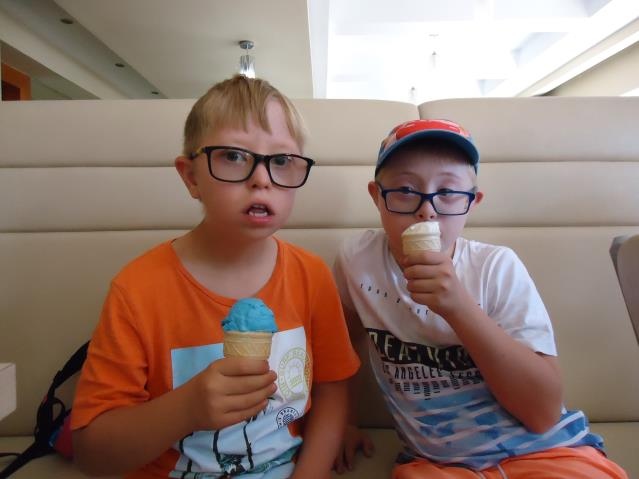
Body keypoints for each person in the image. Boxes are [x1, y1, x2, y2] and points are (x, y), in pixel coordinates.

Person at [71, 75, 360, 479]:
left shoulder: (311, 276)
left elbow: (331, 388)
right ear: (191, 177)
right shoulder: (137, 289)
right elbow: (92, 453)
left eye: (281, 161)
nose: (262, 178)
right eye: (234, 156)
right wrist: (186, 408)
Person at [333, 119, 628, 478]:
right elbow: (343, 345)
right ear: (377, 196)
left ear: (472, 202)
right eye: (406, 190)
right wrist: (343, 423)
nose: (427, 210)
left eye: (448, 191)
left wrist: (459, 307)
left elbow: (543, 413)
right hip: (435, 464)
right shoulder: (357, 262)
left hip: (545, 451)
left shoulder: (496, 267)